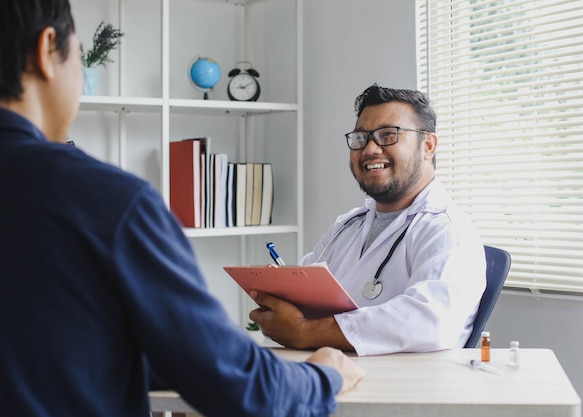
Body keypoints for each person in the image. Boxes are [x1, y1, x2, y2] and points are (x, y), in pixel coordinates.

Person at [0, 1, 363, 416]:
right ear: (47, 50)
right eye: (79, 57)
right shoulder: (108, 203)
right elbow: (240, 390)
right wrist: (325, 375)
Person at [250, 84, 486, 356]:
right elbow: (309, 286)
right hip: (330, 370)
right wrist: (281, 293)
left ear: (428, 146)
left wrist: (303, 331)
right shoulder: (349, 224)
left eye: (388, 135)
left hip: (401, 388)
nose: (370, 149)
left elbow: (430, 322)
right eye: (361, 138)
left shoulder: (446, 229)